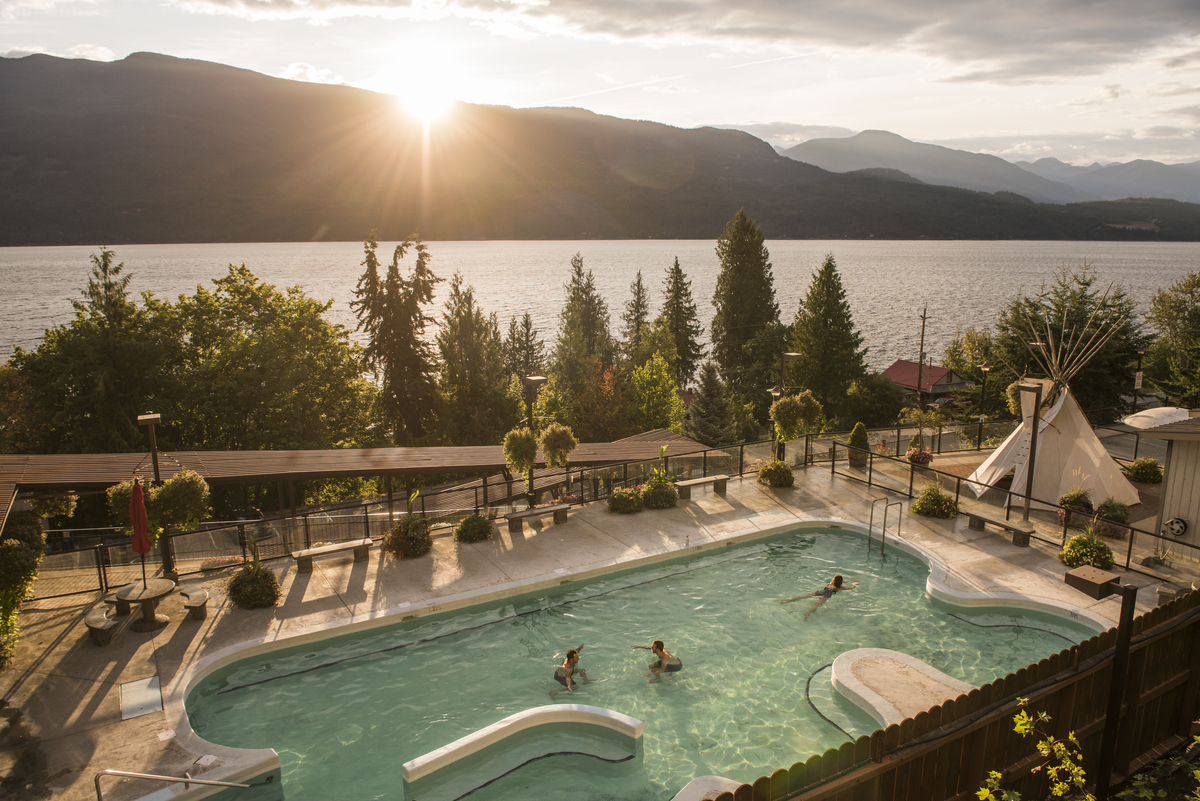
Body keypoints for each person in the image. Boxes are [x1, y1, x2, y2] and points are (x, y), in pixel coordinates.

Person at [781, 574, 860, 620]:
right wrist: (854, 585)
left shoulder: (832, 583)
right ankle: (807, 613)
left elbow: (842, 581)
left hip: (820, 592)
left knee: (803, 597)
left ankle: (787, 600)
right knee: (816, 605)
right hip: (825, 596)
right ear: (839, 582)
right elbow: (849, 588)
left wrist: (850, 581)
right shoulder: (838, 587)